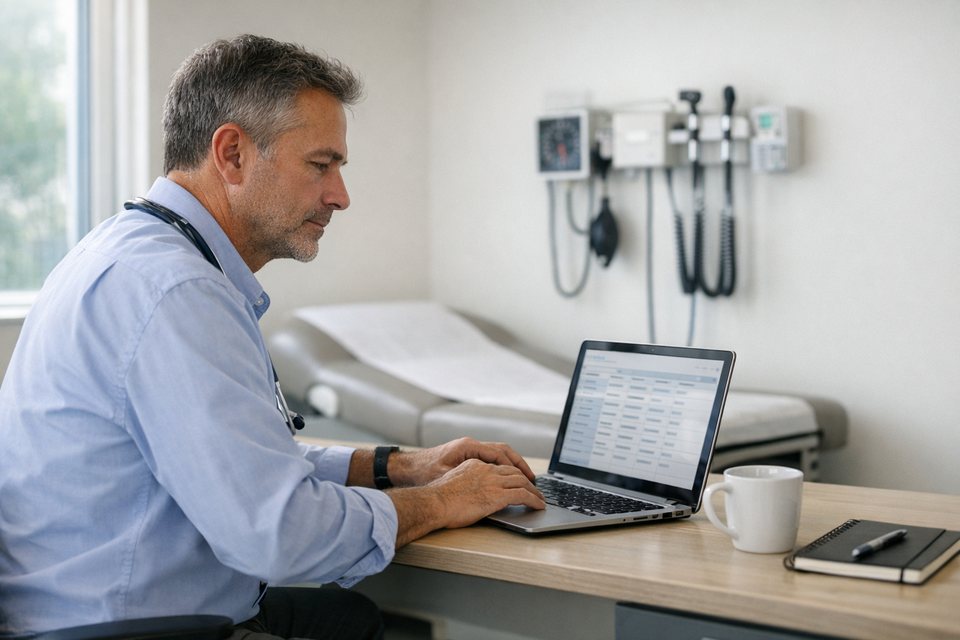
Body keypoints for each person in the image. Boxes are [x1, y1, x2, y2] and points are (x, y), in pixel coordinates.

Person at [0, 34, 545, 639]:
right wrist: (443, 500)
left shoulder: (127, 253)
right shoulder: (176, 292)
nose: (340, 195)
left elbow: (239, 461)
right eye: (320, 165)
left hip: (93, 615)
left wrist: (394, 466)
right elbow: (279, 534)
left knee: (350, 620)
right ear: (231, 153)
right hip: (134, 630)